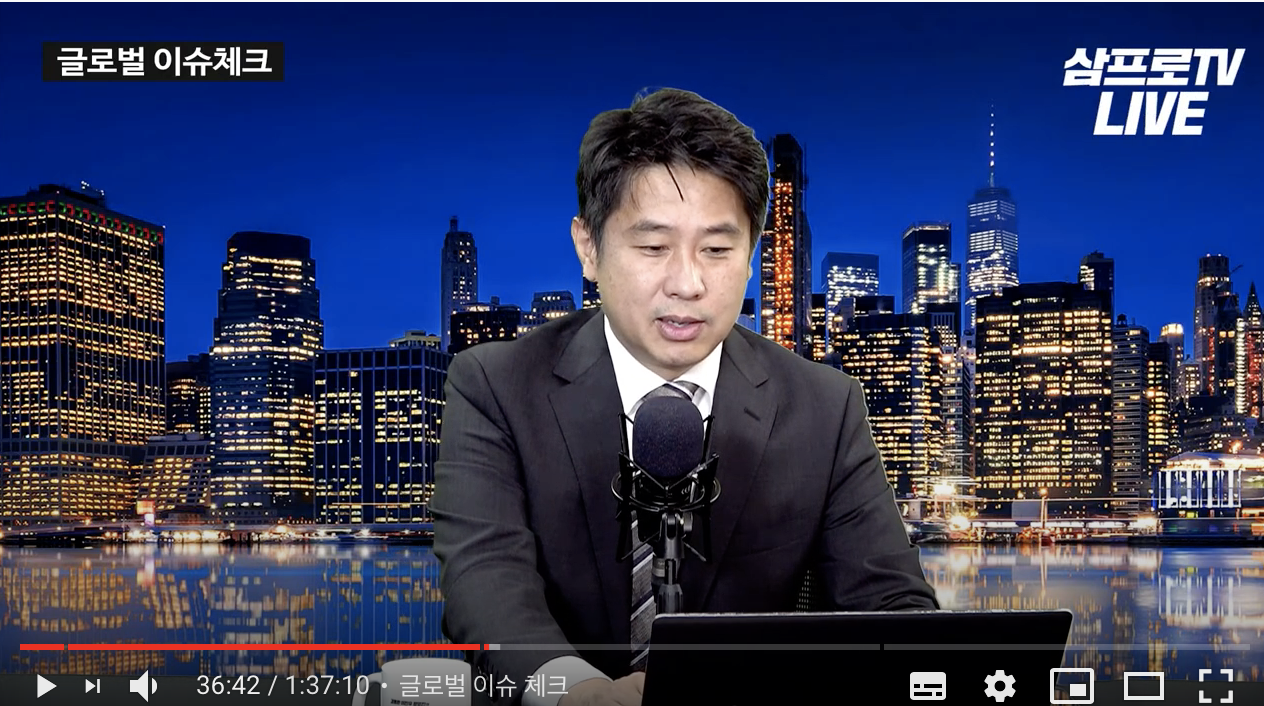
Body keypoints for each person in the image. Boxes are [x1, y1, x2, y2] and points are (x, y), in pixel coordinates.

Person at [430, 87, 939, 706]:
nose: (688, 283)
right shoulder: (495, 385)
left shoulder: (824, 407)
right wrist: (573, 690)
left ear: (750, 257)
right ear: (588, 248)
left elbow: (893, 606)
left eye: (718, 250)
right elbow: (485, 582)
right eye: (653, 247)